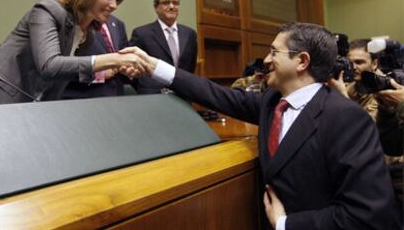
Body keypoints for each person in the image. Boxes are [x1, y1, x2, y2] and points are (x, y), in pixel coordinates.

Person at [121, 22, 402, 229]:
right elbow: (215, 94)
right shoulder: (271, 102)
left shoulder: (346, 119)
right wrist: (155, 66)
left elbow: (368, 215)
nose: (266, 60)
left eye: (274, 52)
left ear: (301, 61)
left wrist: (285, 224)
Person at [0, 0, 148, 105]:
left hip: (31, 103)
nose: (114, 5)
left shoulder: (88, 33)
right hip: (0, 91)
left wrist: (101, 72)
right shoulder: (47, 11)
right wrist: (115, 59)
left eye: (117, 0)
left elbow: (66, 72)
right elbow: (49, 66)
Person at [129, 0, 197, 94]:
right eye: (166, 2)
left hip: (182, 95)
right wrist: (148, 88)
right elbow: (133, 69)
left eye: (175, 3)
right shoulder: (141, 34)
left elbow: (190, 67)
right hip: (153, 97)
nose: (171, 6)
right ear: (156, 7)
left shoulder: (190, 34)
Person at [61, 15, 132, 99]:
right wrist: (98, 75)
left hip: (116, 99)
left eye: (117, 1)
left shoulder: (118, 23)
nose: (114, 5)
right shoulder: (71, 21)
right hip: (83, 100)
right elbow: (59, 69)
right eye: (109, 0)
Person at [329, 38, 380, 120]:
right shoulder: (354, 82)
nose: (353, 67)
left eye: (359, 62)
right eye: (350, 63)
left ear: (374, 64)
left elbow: (367, 126)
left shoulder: (383, 88)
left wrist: (342, 95)